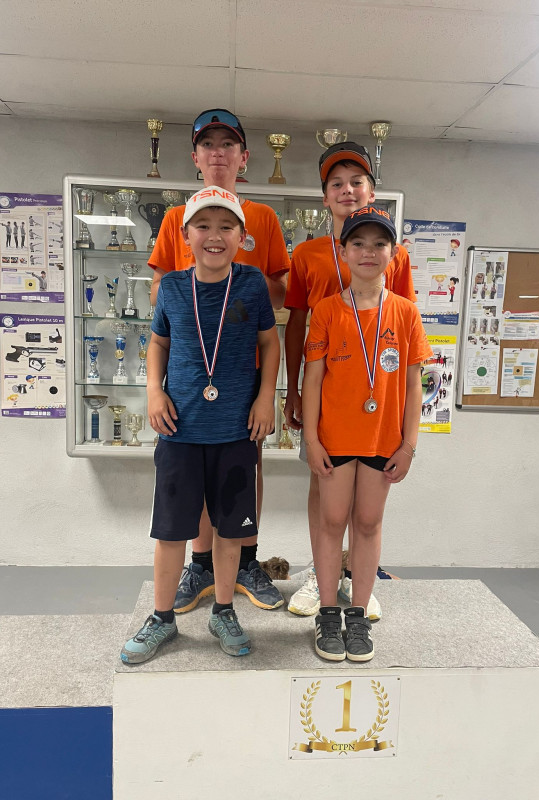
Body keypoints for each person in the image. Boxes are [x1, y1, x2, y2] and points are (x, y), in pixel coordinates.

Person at [121, 187, 280, 664]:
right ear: (185, 236)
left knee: (230, 531)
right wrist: (154, 391)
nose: (215, 235)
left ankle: (224, 611)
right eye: (203, 226)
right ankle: (162, 618)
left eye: (226, 226)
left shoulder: (252, 285)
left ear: (242, 237)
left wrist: (266, 397)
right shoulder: (171, 287)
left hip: (236, 431)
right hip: (180, 430)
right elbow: (158, 344)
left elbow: (270, 342)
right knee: (171, 531)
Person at [148, 109, 290, 614]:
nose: (218, 153)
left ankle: (246, 561)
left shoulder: (264, 219)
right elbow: (160, 294)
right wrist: (199, 283)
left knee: (241, 472)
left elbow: (280, 291)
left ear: (243, 157)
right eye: (208, 145)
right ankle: (200, 564)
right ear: (195, 157)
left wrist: (235, 277)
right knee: (193, 479)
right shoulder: (174, 218)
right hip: (191, 380)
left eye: (228, 145)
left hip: (240, 376)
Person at [284, 142, 416, 617]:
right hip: (327, 398)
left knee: (367, 507)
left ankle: (355, 578)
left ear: (371, 192)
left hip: (375, 406)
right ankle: (319, 577)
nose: (347, 190)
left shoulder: (394, 256)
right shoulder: (308, 253)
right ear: (324, 197)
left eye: (356, 182)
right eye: (336, 184)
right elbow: (296, 323)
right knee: (322, 489)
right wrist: (293, 388)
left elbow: (403, 330)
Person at [302, 205, 432, 661]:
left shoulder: (406, 313)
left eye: (379, 244)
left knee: (369, 522)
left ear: (394, 254)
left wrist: (409, 445)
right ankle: (327, 613)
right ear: (344, 252)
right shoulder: (326, 311)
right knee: (331, 521)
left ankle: (356, 614)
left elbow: (414, 384)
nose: (368, 251)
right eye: (358, 243)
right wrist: (311, 440)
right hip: (335, 440)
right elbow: (312, 380)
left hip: (382, 440)